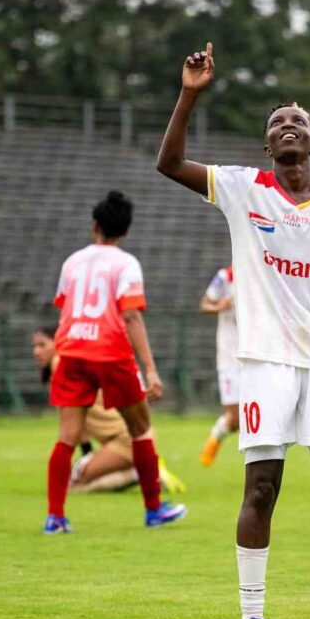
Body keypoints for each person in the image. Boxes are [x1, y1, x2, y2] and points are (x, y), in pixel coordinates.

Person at [156, 42, 310, 619]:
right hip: (263, 362)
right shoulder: (243, 187)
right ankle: (252, 617)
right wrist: (189, 95)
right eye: (277, 123)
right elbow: (169, 163)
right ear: (267, 146)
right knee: (262, 487)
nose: (288, 127)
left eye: (299, 123)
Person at [44, 190, 187, 533]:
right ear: (125, 232)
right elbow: (132, 317)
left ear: (95, 225)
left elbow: (64, 306)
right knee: (140, 430)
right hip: (110, 353)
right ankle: (154, 511)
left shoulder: (72, 262)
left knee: (67, 436)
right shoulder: (126, 264)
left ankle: (55, 517)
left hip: (72, 351)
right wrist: (150, 369)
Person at [31, 325, 186, 495]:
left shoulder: (60, 364)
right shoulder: (68, 364)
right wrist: (88, 456)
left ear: (58, 342)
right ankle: (143, 471)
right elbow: (79, 420)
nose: (36, 352)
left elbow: (72, 422)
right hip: (130, 437)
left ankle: (142, 474)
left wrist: (86, 455)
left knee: (74, 486)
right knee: (76, 482)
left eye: (42, 345)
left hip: (125, 441)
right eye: (34, 346)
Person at [198, 265, 240, 466]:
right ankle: (215, 438)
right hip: (229, 355)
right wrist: (219, 307)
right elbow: (205, 304)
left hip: (255, 354)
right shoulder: (226, 277)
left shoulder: (262, 272)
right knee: (234, 419)